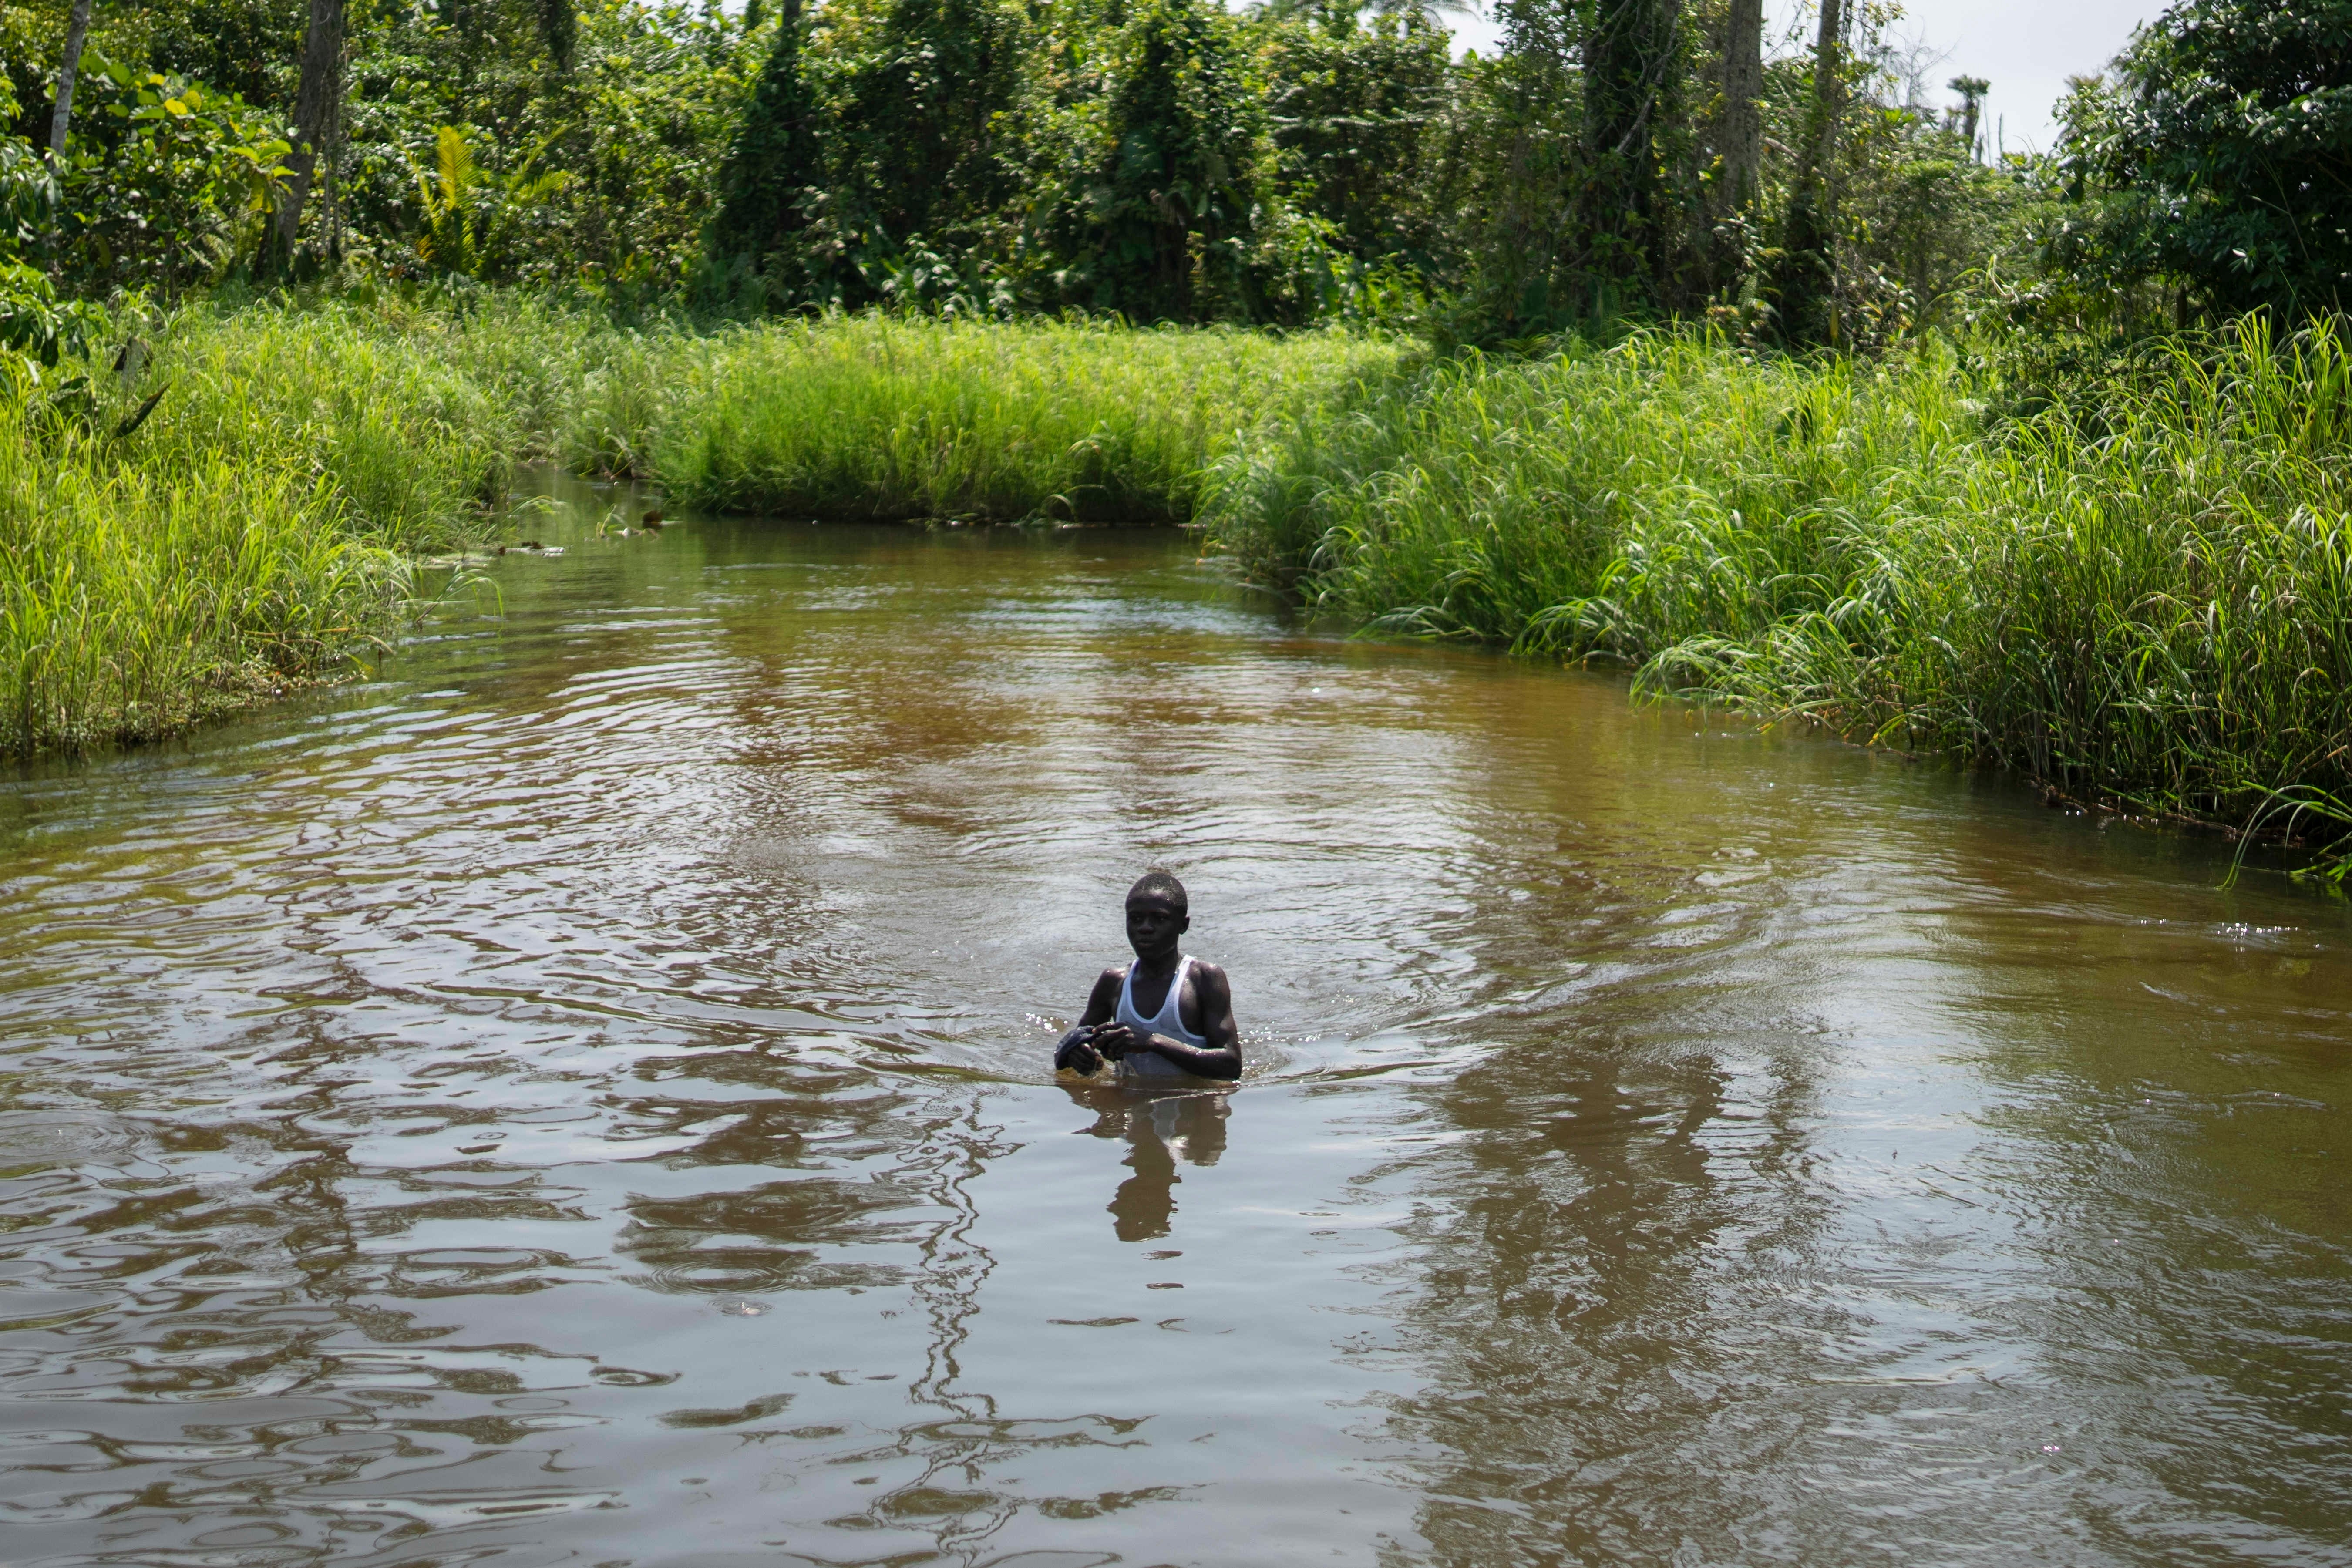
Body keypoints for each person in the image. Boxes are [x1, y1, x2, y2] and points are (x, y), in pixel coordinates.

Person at [1054, 871, 1241, 1082]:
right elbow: (1074, 1044)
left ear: (1183, 925)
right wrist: (1080, 1056)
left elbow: (1232, 1065)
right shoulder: (1114, 983)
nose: (1145, 928)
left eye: (1160, 919)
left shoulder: (1204, 979)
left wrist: (1153, 1042)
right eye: (1135, 919)